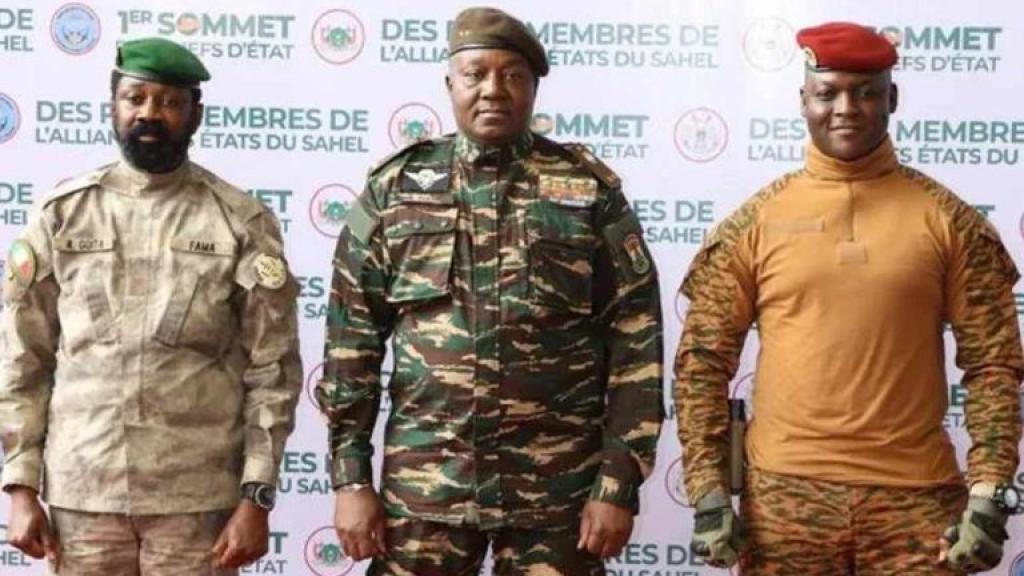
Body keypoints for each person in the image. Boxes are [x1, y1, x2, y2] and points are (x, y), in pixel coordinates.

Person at [316, 7, 663, 575]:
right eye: (476, 74)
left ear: (533, 87)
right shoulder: (394, 192)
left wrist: (618, 481)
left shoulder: (586, 191)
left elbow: (636, 341)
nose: (493, 91)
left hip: (556, 496)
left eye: (513, 75)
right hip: (426, 490)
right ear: (450, 83)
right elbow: (350, 344)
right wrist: (351, 478)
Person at [675, 22, 1023, 575]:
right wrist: (708, 489)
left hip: (917, 501)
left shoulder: (951, 221)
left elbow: (995, 366)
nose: (846, 108)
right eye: (828, 92)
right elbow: (702, 364)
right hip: (784, 503)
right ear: (803, 101)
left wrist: (989, 490)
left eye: (865, 92)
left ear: (892, 98)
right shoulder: (755, 223)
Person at [0, 37, 302, 575]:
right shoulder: (63, 216)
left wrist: (256, 497)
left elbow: (272, 370)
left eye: (169, 102)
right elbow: (23, 361)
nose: (150, 114)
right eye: (135, 98)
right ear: (113, 106)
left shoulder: (238, 221)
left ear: (194, 115)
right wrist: (21, 486)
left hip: (197, 503)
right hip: (84, 496)